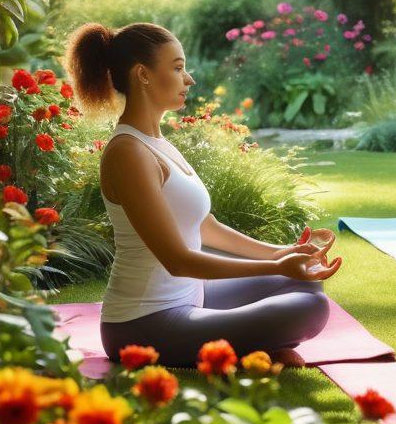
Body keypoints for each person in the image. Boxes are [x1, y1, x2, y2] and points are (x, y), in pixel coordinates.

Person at [63, 22, 341, 367]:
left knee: (306, 287)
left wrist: (282, 254)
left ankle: (260, 345)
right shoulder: (128, 153)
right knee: (309, 309)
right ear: (143, 75)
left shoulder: (158, 143)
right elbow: (178, 261)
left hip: (193, 297)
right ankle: (263, 345)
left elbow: (205, 227)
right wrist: (274, 264)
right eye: (177, 68)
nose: (189, 79)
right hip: (144, 324)